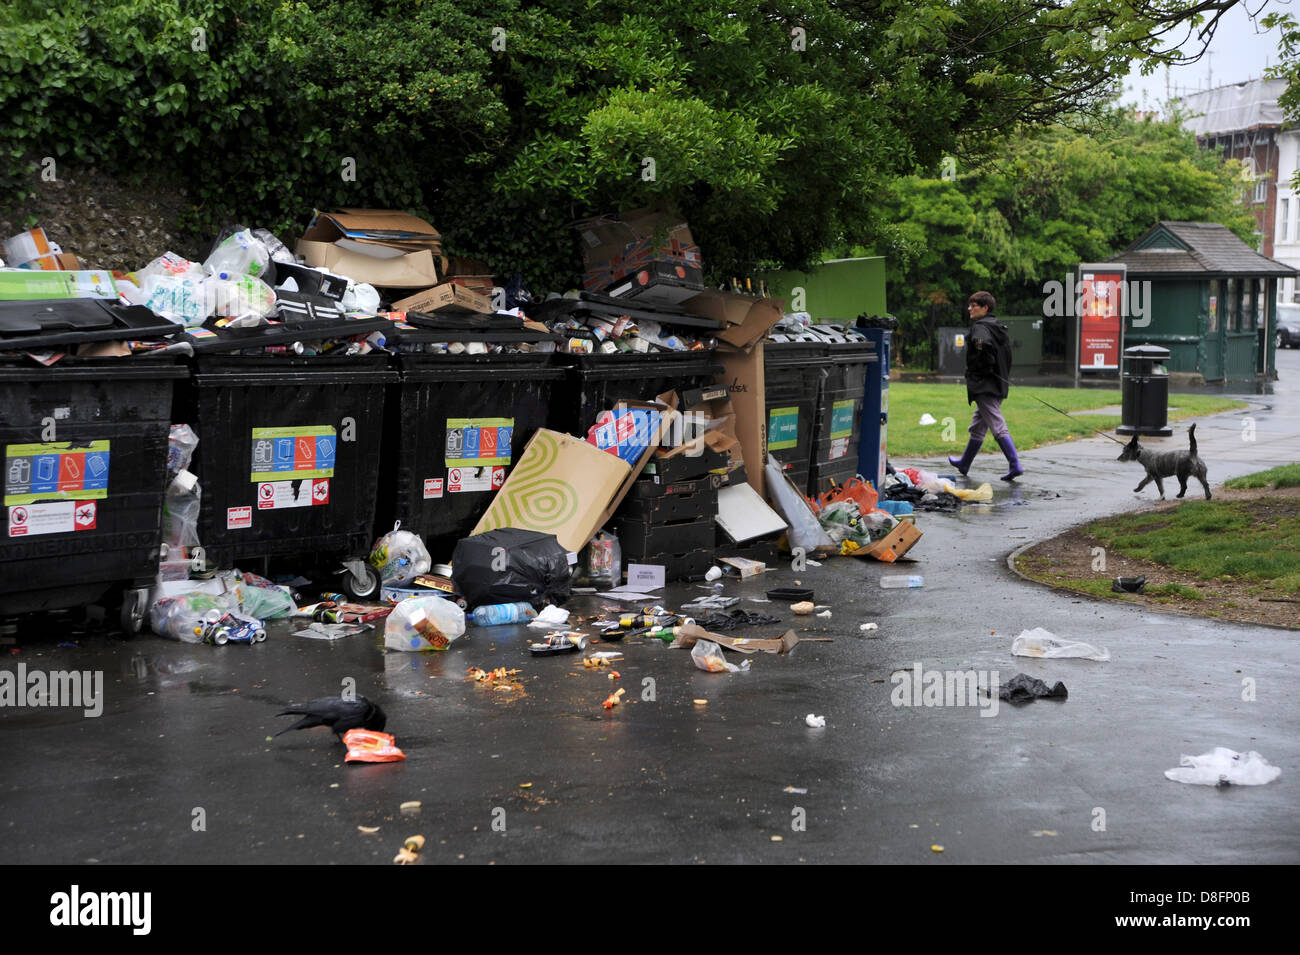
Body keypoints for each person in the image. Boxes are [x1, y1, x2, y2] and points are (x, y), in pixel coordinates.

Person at [947, 291, 1023, 481]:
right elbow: (1007, 356)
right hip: (997, 384)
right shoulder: (998, 328)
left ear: (985, 308)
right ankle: (964, 463)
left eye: (974, 305)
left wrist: (983, 370)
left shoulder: (981, 328)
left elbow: (983, 346)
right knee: (978, 426)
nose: (969, 309)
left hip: (985, 385)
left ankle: (1014, 464)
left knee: (997, 425)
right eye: (970, 305)